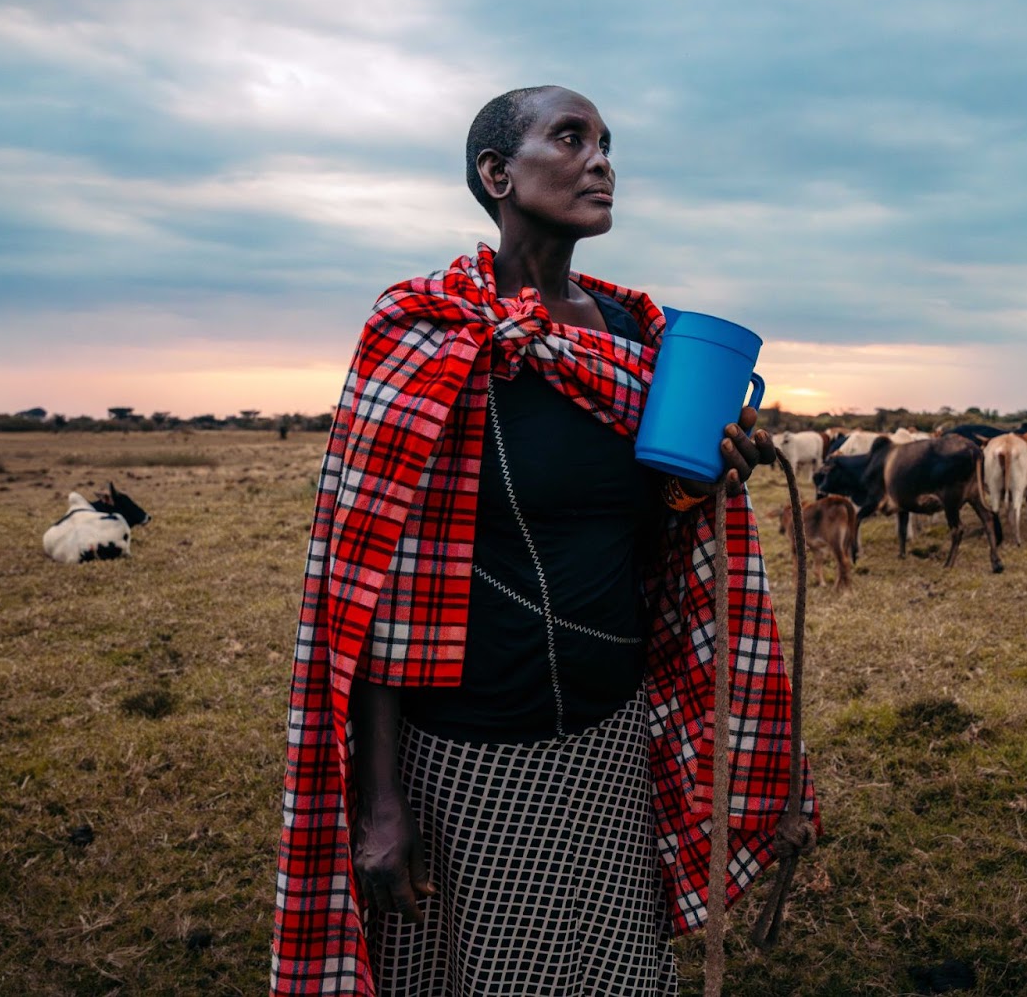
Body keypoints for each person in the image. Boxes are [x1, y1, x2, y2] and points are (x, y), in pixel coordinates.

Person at [271, 86, 817, 996]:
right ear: (497, 174)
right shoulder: (423, 334)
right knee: (474, 973)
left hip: (607, 741)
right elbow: (370, 589)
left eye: (607, 142)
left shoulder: (643, 347)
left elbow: (656, 536)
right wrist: (381, 798)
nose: (601, 159)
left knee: (611, 973)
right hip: (464, 757)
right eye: (570, 138)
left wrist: (706, 480)